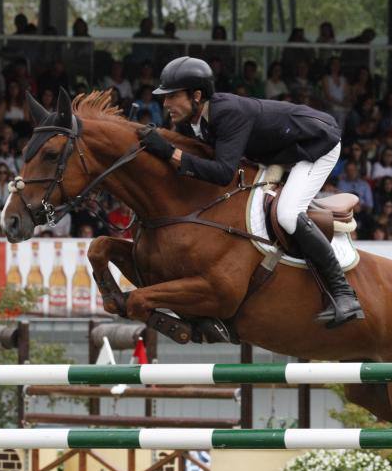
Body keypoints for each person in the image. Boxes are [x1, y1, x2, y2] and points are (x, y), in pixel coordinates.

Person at [147, 56, 363, 330]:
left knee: (286, 214)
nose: (165, 104)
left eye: (172, 96)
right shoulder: (192, 120)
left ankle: (344, 294)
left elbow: (222, 172)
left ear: (197, 95)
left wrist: (170, 153)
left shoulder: (226, 113)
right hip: (276, 150)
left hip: (316, 145)